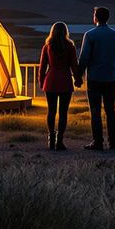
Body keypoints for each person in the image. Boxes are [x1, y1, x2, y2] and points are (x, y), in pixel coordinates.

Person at [76, 6, 115, 151]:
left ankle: (97, 142)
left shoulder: (90, 35)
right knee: (110, 110)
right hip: (110, 78)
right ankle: (113, 142)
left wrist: (79, 76)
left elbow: (84, 58)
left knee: (95, 110)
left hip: (94, 79)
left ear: (96, 17)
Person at [38, 21, 79, 151]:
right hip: (65, 81)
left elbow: (42, 66)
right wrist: (78, 79)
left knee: (51, 111)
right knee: (63, 112)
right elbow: (74, 65)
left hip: (51, 81)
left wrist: (41, 81)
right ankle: (60, 140)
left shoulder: (47, 46)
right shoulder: (70, 47)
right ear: (66, 32)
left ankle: (51, 138)